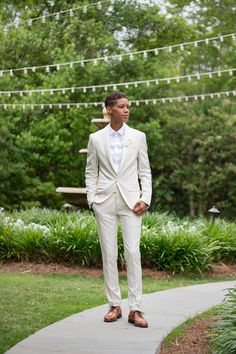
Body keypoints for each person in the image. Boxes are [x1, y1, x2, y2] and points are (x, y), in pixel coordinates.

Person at [85, 92, 152, 328]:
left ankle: (136, 309)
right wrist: (92, 199)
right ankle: (114, 305)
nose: (126, 110)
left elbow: (145, 171)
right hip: (104, 202)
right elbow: (90, 170)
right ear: (108, 109)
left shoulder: (138, 136)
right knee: (109, 253)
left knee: (133, 252)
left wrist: (146, 198)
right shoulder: (95, 138)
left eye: (128, 107)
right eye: (122, 107)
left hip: (132, 202)